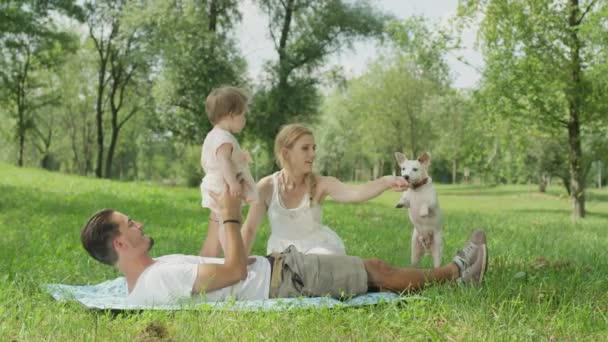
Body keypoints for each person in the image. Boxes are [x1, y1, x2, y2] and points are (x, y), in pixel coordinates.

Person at [80, 183, 489, 306]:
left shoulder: (152, 274)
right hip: (282, 279)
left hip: (278, 269)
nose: (139, 223)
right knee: (376, 270)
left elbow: (214, 262)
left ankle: (451, 274)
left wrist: (220, 212)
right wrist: (230, 218)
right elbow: (234, 271)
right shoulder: (160, 278)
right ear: (120, 243)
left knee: (374, 273)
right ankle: (457, 272)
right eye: (130, 224)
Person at [235, 123, 409, 256]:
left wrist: (386, 181)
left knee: (316, 267)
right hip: (280, 255)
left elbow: (355, 193)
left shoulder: (321, 184)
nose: (312, 154)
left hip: (318, 250)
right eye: (305, 148)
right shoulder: (267, 187)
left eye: (314, 148)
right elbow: (249, 229)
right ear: (286, 153)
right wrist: (239, 269)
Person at [198, 86, 257, 257]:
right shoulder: (224, 138)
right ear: (231, 114)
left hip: (215, 183)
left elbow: (224, 159)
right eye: (243, 115)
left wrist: (240, 158)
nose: (244, 119)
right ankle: (234, 256)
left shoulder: (215, 135)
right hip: (223, 185)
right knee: (230, 221)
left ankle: (222, 255)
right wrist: (232, 183)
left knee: (225, 222)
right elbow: (223, 161)